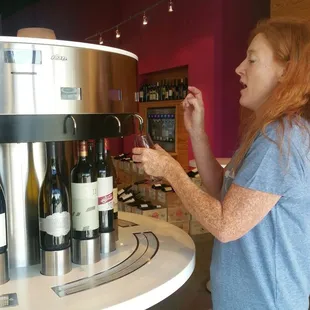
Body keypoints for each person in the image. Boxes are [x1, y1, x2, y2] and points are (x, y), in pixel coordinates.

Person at [132, 17, 310, 310]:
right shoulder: (268, 133)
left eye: (252, 60)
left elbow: (226, 225)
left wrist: (171, 171)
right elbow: (221, 193)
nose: (239, 67)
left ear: (285, 72)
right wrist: (198, 134)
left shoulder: (280, 140)